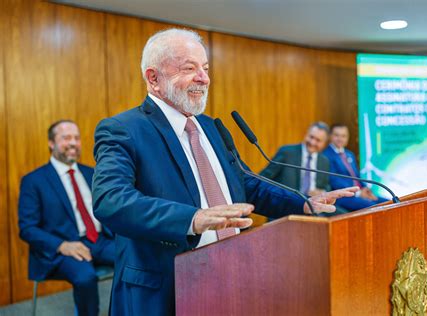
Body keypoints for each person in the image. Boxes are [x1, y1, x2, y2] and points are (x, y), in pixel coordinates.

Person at [92, 28, 358, 315]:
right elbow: (111, 201)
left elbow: (245, 183)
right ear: (153, 78)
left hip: (231, 272)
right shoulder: (123, 129)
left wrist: (303, 203)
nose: (204, 78)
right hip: (163, 289)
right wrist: (192, 219)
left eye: (205, 68)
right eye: (189, 68)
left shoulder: (210, 126)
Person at [18, 120, 115, 316]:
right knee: (85, 277)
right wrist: (63, 246)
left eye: (76, 138)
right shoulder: (34, 181)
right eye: (66, 138)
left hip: (100, 240)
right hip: (63, 247)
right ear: (51, 143)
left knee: (135, 257)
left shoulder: (92, 173)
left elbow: (107, 210)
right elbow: (27, 228)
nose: (73, 143)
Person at [260, 121, 348, 216]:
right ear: (306, 134)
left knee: (345, 217)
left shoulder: (324, 161)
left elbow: (326, 186)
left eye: (318, 140)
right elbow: (264, 178)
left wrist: (321, 192)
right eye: (311, 137)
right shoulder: (287, 153)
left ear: (324, 143)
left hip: (315, 209)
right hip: (287, 208)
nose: (312, 142)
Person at [323, 123, 388, 211]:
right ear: (330, 136)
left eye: (343, 136)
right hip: (343, 197)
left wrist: (365, 189)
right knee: (373, 206)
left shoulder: (349, 154)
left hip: (360, 193)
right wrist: (358, 192)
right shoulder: (325, 156)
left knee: (390, 202)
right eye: (337, 135)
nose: (340, 139)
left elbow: (357, 176)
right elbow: (334, 181)